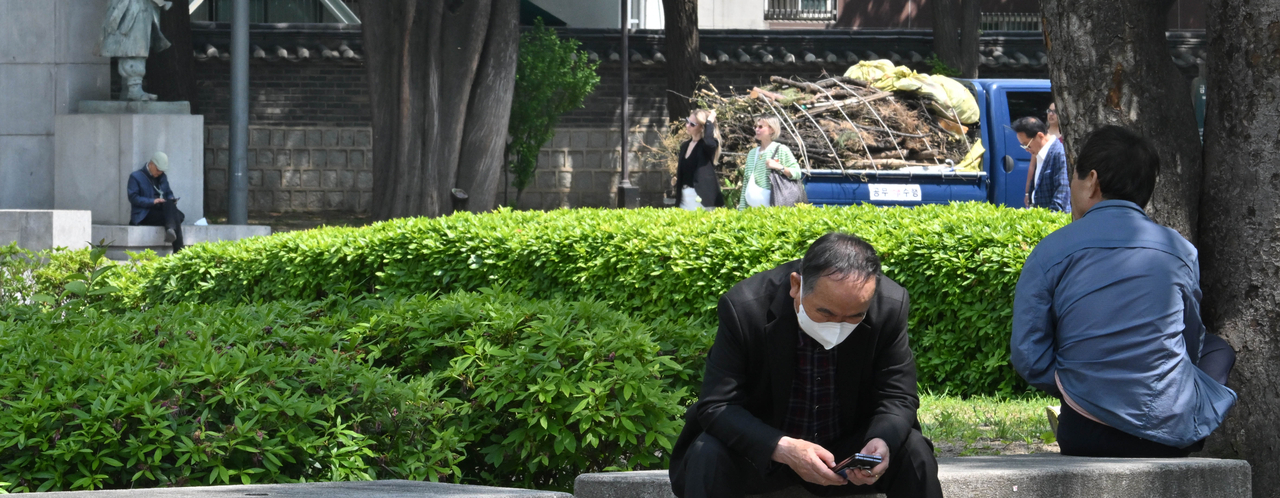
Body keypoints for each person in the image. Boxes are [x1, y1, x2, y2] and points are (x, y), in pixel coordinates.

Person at [1011, 125, 1237, 458]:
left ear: (1091, 180)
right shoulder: (1180, 250)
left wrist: (1075, 381)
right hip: (1169, 433)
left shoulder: (1051, 250)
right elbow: (1189, 343)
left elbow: (1028, 355)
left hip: (1083, 431)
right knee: (1218, 349)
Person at [669, 233, 942, 498]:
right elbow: (717, 405)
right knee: (708, 453)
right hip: (764, 450)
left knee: (915, 451)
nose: (837, 326)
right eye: (825, 312)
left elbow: (898, 395)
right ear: (796, 286)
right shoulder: (745, 308)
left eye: (854, 316)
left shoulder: (890, 306)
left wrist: (880, 441)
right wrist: (783, 447)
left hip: (848, 455)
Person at [98, 0, 173, 101]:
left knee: (136, 47)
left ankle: (129, 89)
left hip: (142, 7)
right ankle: (134, 89)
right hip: (131, 7)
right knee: (133, 48)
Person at [738, 116, 802, 209]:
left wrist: (779, 167)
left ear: (772, 129)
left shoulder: (781, 150)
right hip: (753, 211)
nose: (756, 129)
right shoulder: (752, 153)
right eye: (755, 126)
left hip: (775, 207)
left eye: (760, 127)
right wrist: (742, 210)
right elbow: (746, 183)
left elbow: (797, 173)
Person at [127, 151, 185, 252]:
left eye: (162, 171)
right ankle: (178, 249)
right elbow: (133, 198)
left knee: (177, 212)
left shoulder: (162, 177)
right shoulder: (136, 177)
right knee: (177, 216)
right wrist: (153, 201)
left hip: (161, 210)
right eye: (158, 170)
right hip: (144, 214)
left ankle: (170, 228)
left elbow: (168, 193)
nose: (159, 173)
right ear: (151, 164)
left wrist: (171, 199)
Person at [1015, 116, 1070, 212]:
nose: (1027, 149)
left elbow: (1061, 194)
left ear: (1040, 136)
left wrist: (1051, 220)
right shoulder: (1040, 153)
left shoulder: (1059, 153)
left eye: (1027, 145)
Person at [676, 109, 723, 211]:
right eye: (688, 121)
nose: (688, 125)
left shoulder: (707, 146)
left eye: (692, 124)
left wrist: (709, 122)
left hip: (700, 198)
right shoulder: (685, 146)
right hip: (684, 197)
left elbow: (709, 143)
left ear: (702, 127)